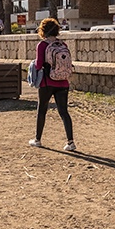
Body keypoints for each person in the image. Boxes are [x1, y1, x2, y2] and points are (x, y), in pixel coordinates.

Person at [29, 17, 76, 152]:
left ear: (43, 30)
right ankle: (70, 142)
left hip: (47, 82)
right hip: (63, 82)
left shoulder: (42, 45)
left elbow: (38, 65)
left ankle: (37, 139)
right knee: (64, 112)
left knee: (42, 110)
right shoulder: (63, 45)